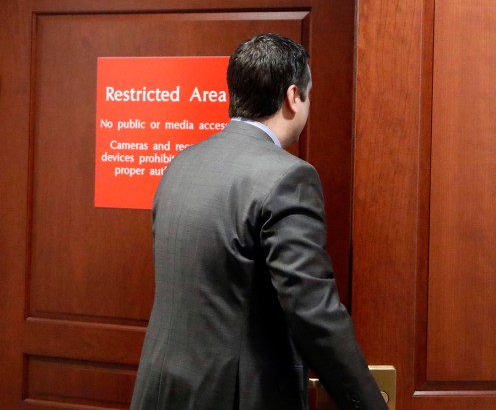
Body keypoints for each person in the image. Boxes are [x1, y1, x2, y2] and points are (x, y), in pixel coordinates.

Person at [130, 33, 388, 410]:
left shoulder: (181, 164)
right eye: (309, 95)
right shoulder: (288, 177)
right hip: (234, 396)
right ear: (293, 96)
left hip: (162, 387)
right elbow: (312, 310)